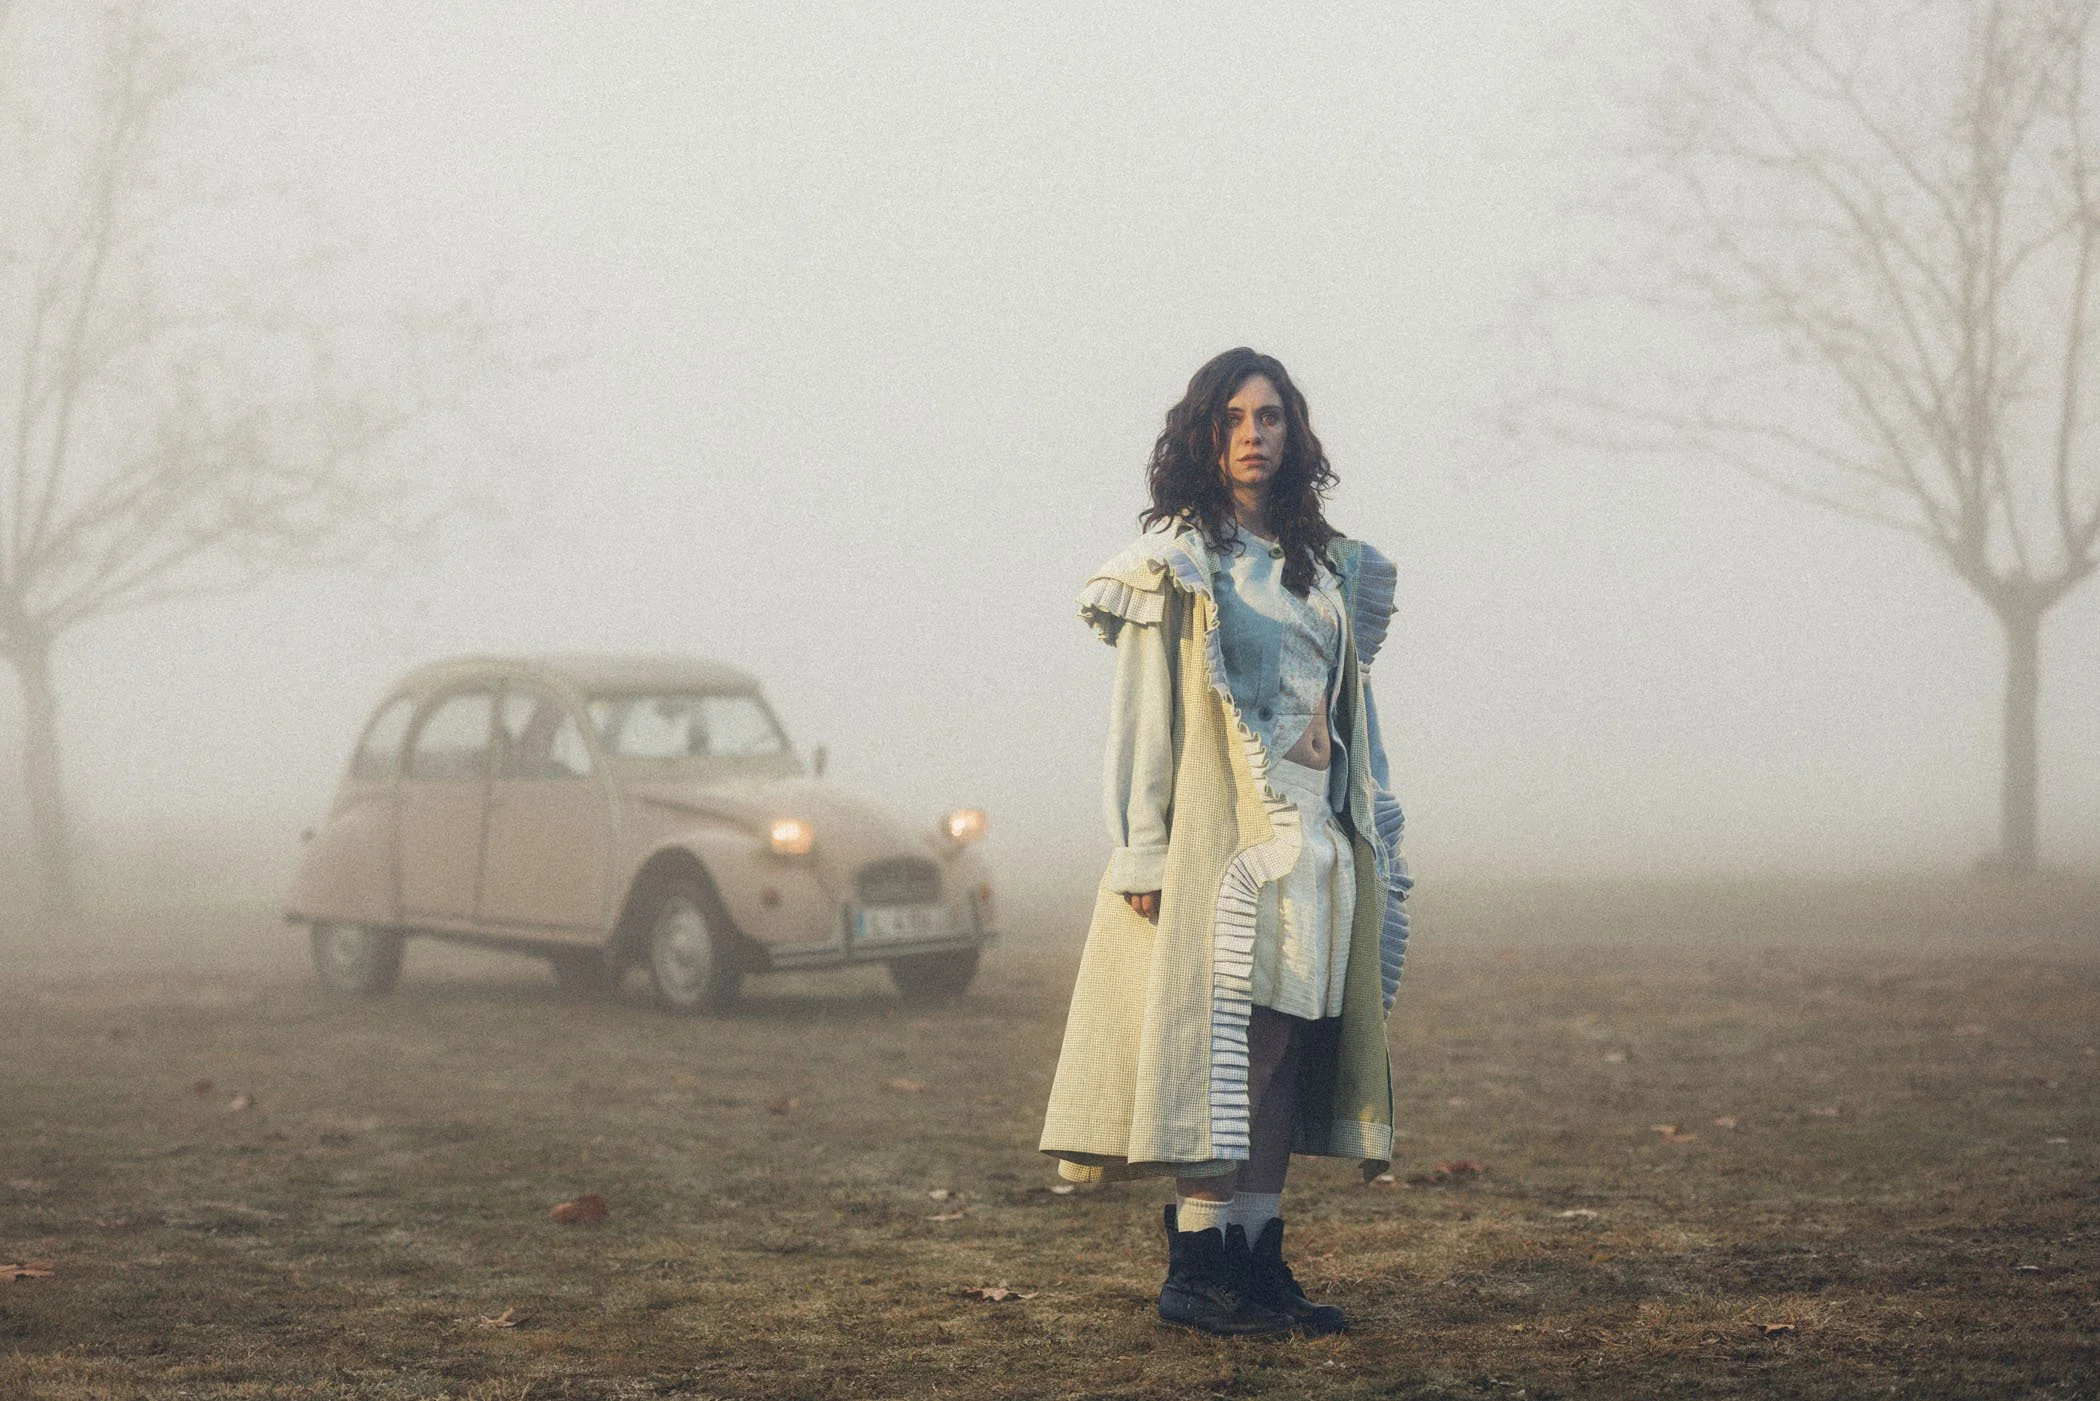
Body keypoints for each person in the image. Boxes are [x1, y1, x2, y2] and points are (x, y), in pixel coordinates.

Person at [1039, 347, 1411, 1337]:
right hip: (1226, 843)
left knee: (1290, 1053)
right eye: (1236, 418)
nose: (1255, 434)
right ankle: (1196, 1271)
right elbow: (1144, 718)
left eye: (1272, 417)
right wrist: (1142, 853)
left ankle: (1255, 1263)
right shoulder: (1177, 566)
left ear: (1295, 432)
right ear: (1206, 436)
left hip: (1315, 837)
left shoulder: (1324, 566)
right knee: (1233, 1052)